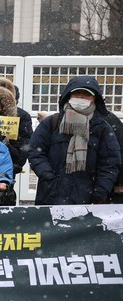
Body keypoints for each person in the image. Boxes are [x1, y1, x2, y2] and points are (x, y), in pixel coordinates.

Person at [28, 76, 121, 205]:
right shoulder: (52, 123)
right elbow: (35, 152)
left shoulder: (102, 128)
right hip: (51, 195)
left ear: (94, 98)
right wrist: (48, 176)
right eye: (77, 93)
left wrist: (100, 192)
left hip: (87, 200)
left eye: (86, 94)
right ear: (69, 95)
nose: (81, 97)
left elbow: (110, 163)